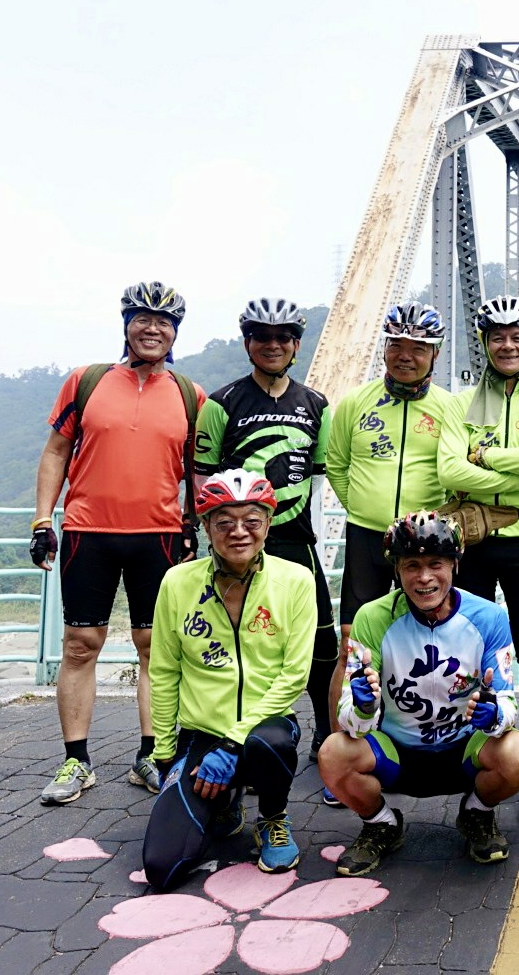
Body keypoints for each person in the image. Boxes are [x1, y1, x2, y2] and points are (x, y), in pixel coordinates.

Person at [33, 281, 207, 806]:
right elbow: (56, 451)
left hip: (159, 535)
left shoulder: (190, 395)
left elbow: (197, 471)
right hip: (89, 532)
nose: (153, 329)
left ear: (175, 332)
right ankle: (76, 760)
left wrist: (194, 524)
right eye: (142, 318)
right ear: (127, 324)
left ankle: (151, 756)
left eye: (164, 321)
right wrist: (43, 520)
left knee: (155, 648)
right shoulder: (86, 381)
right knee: (80, 644)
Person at [318, 510, 519, 876]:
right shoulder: (372, 617)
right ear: (397, 570)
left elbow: (508, 701)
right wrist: (363, 707)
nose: (424, 577)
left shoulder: (489, 617)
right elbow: (348, 718)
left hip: (464, 751)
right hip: (397, 754)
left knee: (517, 752)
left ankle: (477, 813)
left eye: (436, 564)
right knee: (333, 752)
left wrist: (495, 716)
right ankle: (381, 823)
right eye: (411, 566)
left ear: (455, 565)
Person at [141, 470, 316, 889]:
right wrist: (164, 754)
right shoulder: (178, 583)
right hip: (202, 734)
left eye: (252, 521)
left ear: (268, 524)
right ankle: (225, 801)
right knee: (162, 867)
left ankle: (272, 818)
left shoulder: (295, 580)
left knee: (269, 743)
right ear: (206, 527)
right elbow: (163, 671)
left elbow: (294, 675)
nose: (239, 532)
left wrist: (233, 742)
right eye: (224, 522)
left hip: (263, 729)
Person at [437, 295, 519, 826]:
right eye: (498, 337)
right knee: (467, 649)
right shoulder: (460, 403)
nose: (508, 345)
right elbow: (450, 471)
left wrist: (487, 457)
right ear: (485, 344)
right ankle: (473, 753)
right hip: (472, 540)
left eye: (517, 336)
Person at [194, 298, 337, 761]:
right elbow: (202, 478)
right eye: (262, 336)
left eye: (282, 337)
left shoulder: (316, 404)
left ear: (296, 345)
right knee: (242, 639)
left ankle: (326, 735)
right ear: (247, 343)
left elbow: (318, 478)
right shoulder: (221, 403)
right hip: (239, 543)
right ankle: (236, 736)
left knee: (322, 642)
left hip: (295, 539)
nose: (272, 345)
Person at [326, 303, 453, 703]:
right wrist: (363, 508)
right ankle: (341, 731)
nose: (405, 355)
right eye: (396, 344)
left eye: (418, 347)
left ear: (435, 353)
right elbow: (337, 464)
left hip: (425, 542)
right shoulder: (355, 402)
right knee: (352, 641)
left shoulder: (450, 408)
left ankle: (423, 722)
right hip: (366, 534)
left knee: (429, 636)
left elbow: (458, 473)